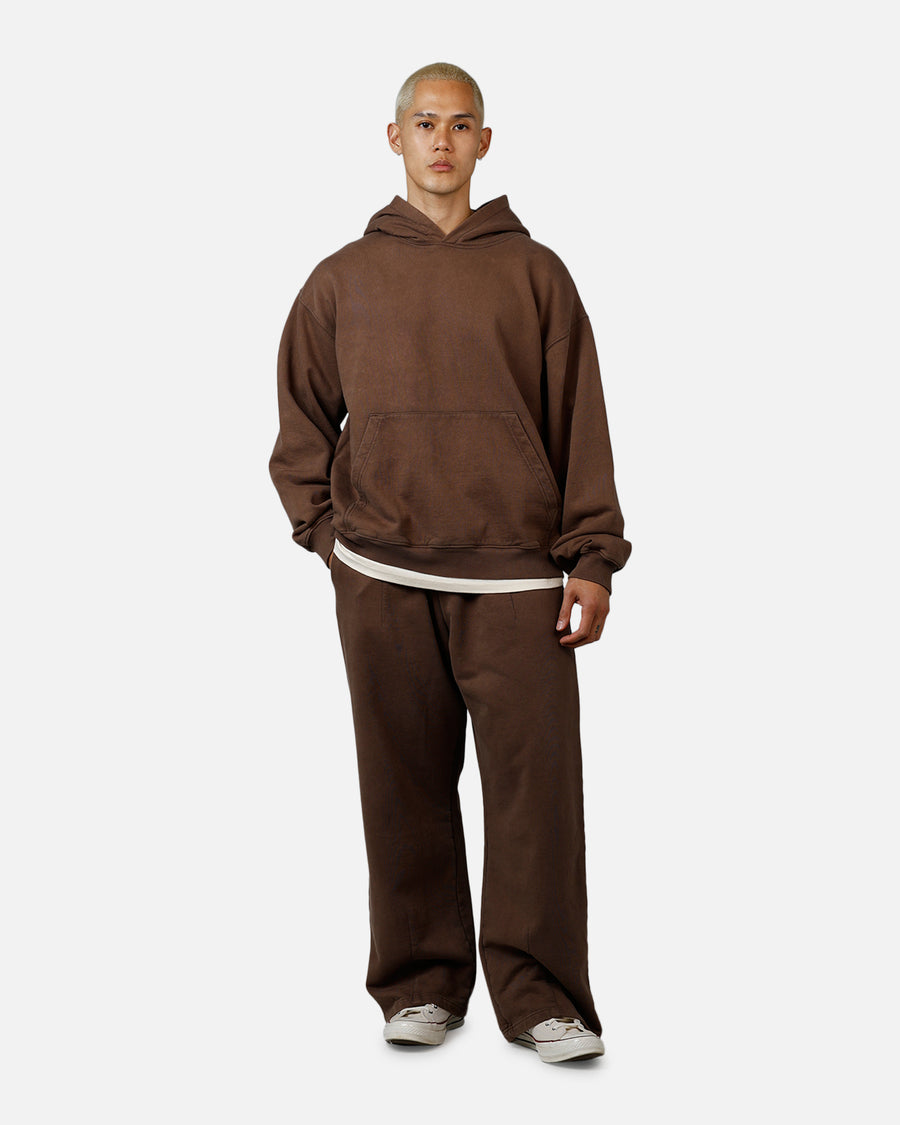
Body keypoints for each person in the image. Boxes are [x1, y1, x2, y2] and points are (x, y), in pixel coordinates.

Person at [269, 61, 632, 1065]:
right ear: (395, 138)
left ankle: (543, 995)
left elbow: (581, 423)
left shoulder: (537, 273)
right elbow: (301, 422)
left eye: (460, 124)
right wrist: (332, 541)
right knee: (402, 787)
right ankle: (421, 983)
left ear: (484, 142)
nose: (442, 140)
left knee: (536, 796)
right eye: (425, 123)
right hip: (382, 576)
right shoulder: (342, 277)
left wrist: (592, 559)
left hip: (519, 577)